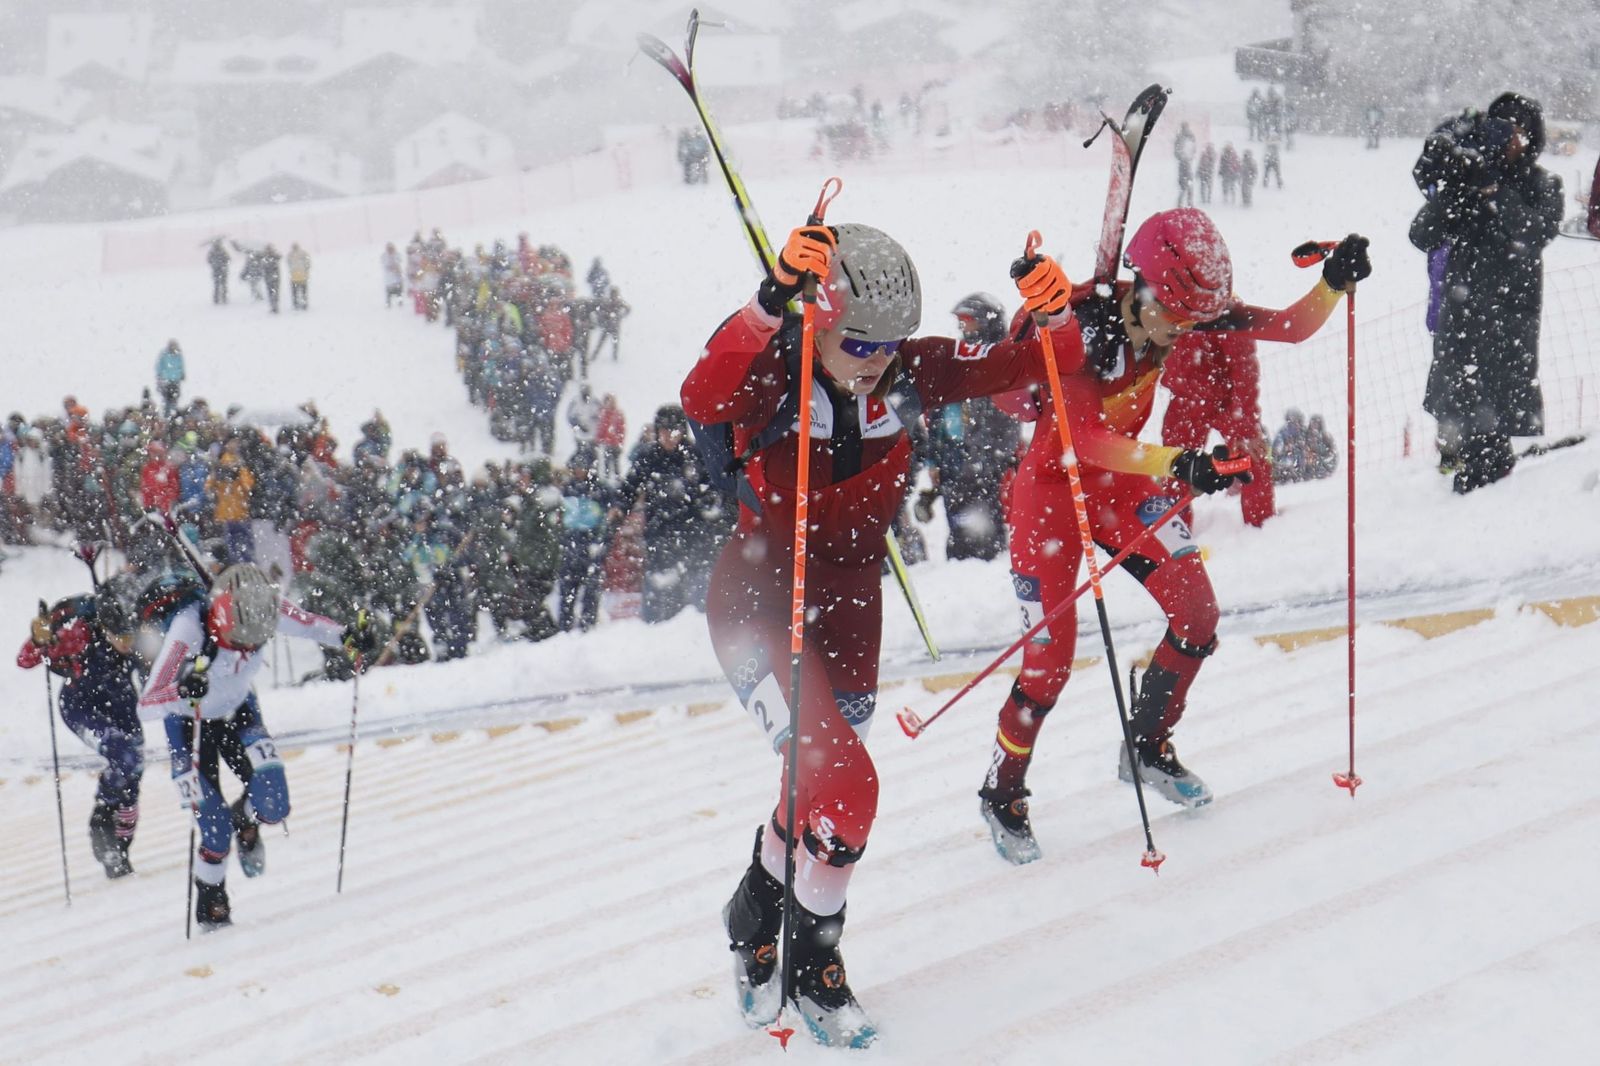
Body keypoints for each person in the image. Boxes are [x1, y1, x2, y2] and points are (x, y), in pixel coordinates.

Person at [681, 220, 1062, 1046]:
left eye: (892, 343)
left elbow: (1035, 365)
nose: (879, 360)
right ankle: (816, 966)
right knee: (850, 790)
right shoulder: (776, 374)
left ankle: (753, 913)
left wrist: (1058, 316)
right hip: (759, 604)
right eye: (860, 343)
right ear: (818, 321)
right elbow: (701, 396)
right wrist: (765, 306)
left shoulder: (911, 371)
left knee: (820, 792)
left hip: (850, 602)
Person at [977, 209, 1370, 867]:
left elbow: (1290, 328)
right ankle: (1002, 793)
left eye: (1194, 321)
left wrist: (1332, 282)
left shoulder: (1185, 308)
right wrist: (1181, 463)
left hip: (1121, 487)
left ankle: (1147, 745)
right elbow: (1088, 440)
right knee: (1049, 666)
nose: (1183, 333)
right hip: (1053, 494)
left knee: (1196, 612)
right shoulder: (1081, 334)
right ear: (1145, 288)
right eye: (1176, 319)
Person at [137, 563, 373, 929]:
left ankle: (245, 818)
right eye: (240, 643)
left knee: (275, 803)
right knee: (213, 829)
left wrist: (348, 636)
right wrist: (182, 685)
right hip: (189, 725)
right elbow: (148, 701)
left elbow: (310, 624)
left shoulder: (265, 606)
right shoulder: (187, 628)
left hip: (237, 711)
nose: (247, 652)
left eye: (256, 644)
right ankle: (212, 904)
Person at [1410, 92, 1562, 493]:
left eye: (1514, 132)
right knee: (1462, 422)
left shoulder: (1542, 184)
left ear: (1531, 137)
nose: (1506, 140)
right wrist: (1457, 187)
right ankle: (1467, 503)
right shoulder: (1469, 180)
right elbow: (1422, 233)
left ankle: (1487, 511)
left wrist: (1496, 192)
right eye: (1498, 129)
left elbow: (1535, 232)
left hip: (1509, 326)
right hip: (1462, 325)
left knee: (1492, 433)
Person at [17, 589, 145, 879]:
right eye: (119, 637)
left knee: (135, 771)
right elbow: (25, 660)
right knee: (123, 756)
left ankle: (121, 849)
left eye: (130, 637)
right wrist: (40, 639)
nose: (126, 644)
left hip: (122, 706)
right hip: (82, 708)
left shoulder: (140, 639)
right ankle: (101, 818)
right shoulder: (80, 635)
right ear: (104, 628)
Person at [1160, 332, 1275, 526]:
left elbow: (1244, 368)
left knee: (1252, 458)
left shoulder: (1226, 312)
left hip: (1226, 400)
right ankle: (1175, 536)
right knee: (1175, 466)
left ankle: (1263, 528)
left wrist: (1245, 428)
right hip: (1184, 400)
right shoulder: (1166, 309)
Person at [155, 339, 186, 417]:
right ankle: (167, 415)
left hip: (175, 380)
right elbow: (159, 366)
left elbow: (180, 365)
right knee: (167, 400)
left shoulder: (178, 355)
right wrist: (159, 376)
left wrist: (182, 374)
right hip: (166, 380)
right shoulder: (164, 354)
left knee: (174, 399)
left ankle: (173, 414)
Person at [1173, 121, 1197, 208]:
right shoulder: (1189, 136)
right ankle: (1189, 203)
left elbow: (1176, 152)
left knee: (1183, 186)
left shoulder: (1180, 136)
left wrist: (1182, 156)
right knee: (1188, 185)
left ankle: (1181, 204)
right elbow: (1193, 148)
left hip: (1183, 163)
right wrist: (1190, 156)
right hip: (1186, 163)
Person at [287, 243, 311, 311]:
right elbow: (308, 263)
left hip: (297, 277)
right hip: (298, 277)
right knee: (301, 292)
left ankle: (299, 305)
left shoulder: (292, 254)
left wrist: (306, 271)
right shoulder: (292, 254)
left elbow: (307, 263)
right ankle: (301, 304)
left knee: (298, 292)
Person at [261, 243, 283, 314]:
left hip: (274, 278)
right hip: (270, 278)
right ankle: (273, 306)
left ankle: (275, 307)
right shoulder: (265, 257)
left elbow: (280, 256)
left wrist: (273, 253)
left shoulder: (273, 257)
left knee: (274, 293)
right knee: (271, 293)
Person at [208, 239, 231, 304]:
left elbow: (209, 260)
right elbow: (228, 259)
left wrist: (214, 264)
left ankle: (216, 299)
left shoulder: (212, 252)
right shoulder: (223, 251)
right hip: (223, 271)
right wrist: (223, 264)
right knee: (223, 285)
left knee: (217, 286)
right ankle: (224, 298)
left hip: (216, 271)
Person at [382, 243, 404, 307]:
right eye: (389, 249)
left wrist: (396, 267)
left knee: (399, 292)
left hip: (397, 278)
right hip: (389, 279)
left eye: (391, 248)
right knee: (389, 293)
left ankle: (400, 302)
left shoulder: (396, 255)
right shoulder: (384, 256)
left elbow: (399, 261)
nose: (390, 250)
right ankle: (388, 303)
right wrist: (392, 267)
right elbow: (385, 265)